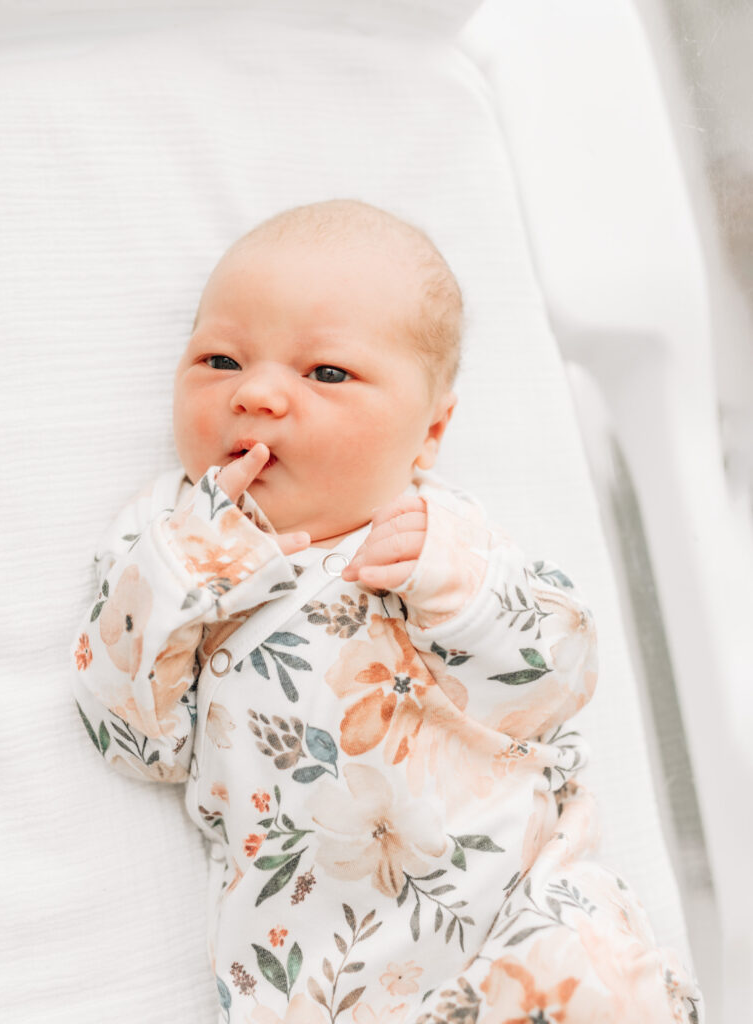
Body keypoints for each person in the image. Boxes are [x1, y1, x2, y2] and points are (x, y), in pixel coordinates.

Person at [70, 200, 702, 1023]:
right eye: (219, 360)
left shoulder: (442, 533)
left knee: (591, 982)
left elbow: (557, 683)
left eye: (325, 373)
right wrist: (182, 573)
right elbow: (134, 741)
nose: (256, 394)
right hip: (316, 978)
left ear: (428, 433)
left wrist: (462, 597)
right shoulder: (162, 538)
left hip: (516, 918)